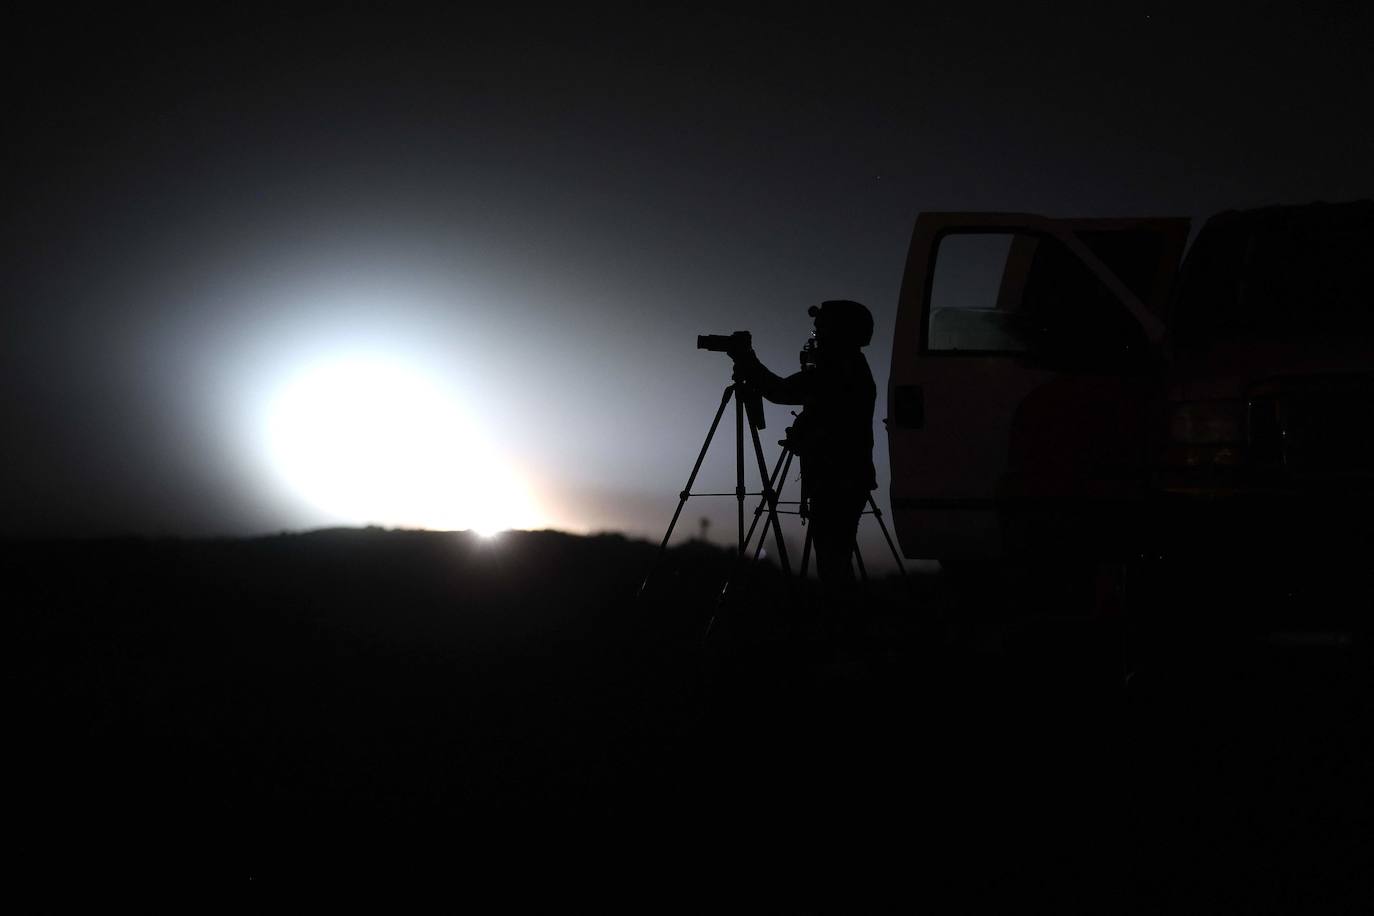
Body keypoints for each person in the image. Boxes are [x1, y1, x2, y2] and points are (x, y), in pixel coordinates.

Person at [732, 300, 877, 625]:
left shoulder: (841, 367)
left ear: (838, 332)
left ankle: (845, 638)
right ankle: (845, 633)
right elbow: (828, 417)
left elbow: (781, 391)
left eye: (822, 328)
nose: (816, 336)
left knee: (833, 565)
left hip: (837, 480)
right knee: (834, 562)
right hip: (841, 478)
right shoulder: (848, 366)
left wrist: (747, 360)